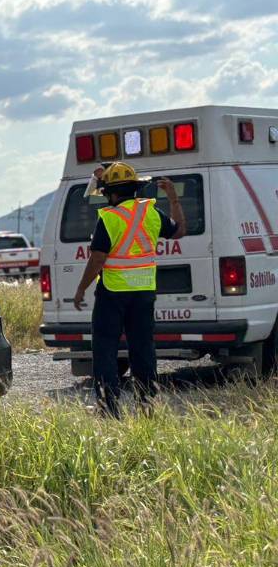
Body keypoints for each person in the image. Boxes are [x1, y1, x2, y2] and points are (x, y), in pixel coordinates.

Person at [72, 163, 186, 417]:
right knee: (143, 350)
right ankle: (147, 407)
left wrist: (81, 288)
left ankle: (109, 408)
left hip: (112, 293)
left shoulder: (109, 218)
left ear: (112, 193)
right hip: (143, 292)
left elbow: (98, 259)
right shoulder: (151, 212)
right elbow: (179, 230)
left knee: (105, 350)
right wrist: (174, 199)